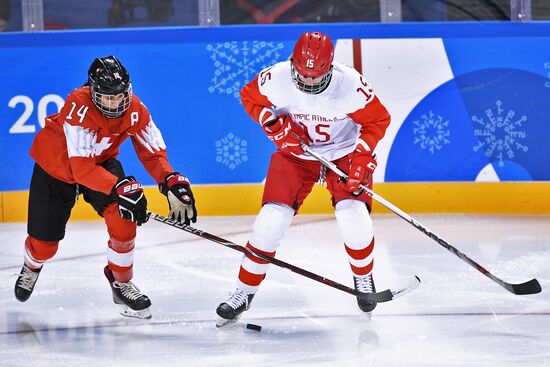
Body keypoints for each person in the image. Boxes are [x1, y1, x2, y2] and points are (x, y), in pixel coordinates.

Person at [216, 31, 391, 326]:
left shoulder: (350, 85)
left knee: (353, 217)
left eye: (317, 77)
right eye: (303, 76)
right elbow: (249, 98)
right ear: (293, 64)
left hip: (343, 152)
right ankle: (243, 292)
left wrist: (362, 155)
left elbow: (378, 121)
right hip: (296, 153)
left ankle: (363, 278)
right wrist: (273, 127)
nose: (309, 82)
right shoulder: (276, 78)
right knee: (270, 221)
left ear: (330, 68)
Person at [14, 56, 197, 319]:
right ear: (93, 91)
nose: (116, 103)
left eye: (121, 95)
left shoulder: (135, 109)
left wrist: (169, 180)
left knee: (124, 219)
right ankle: (31, 267)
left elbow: (152, 153)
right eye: (108, 97)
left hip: (100, 164)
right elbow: (81, 169)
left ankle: (121, 283)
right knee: (44, 247)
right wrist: (120, 187)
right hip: (56, 167)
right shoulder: (78, 104)